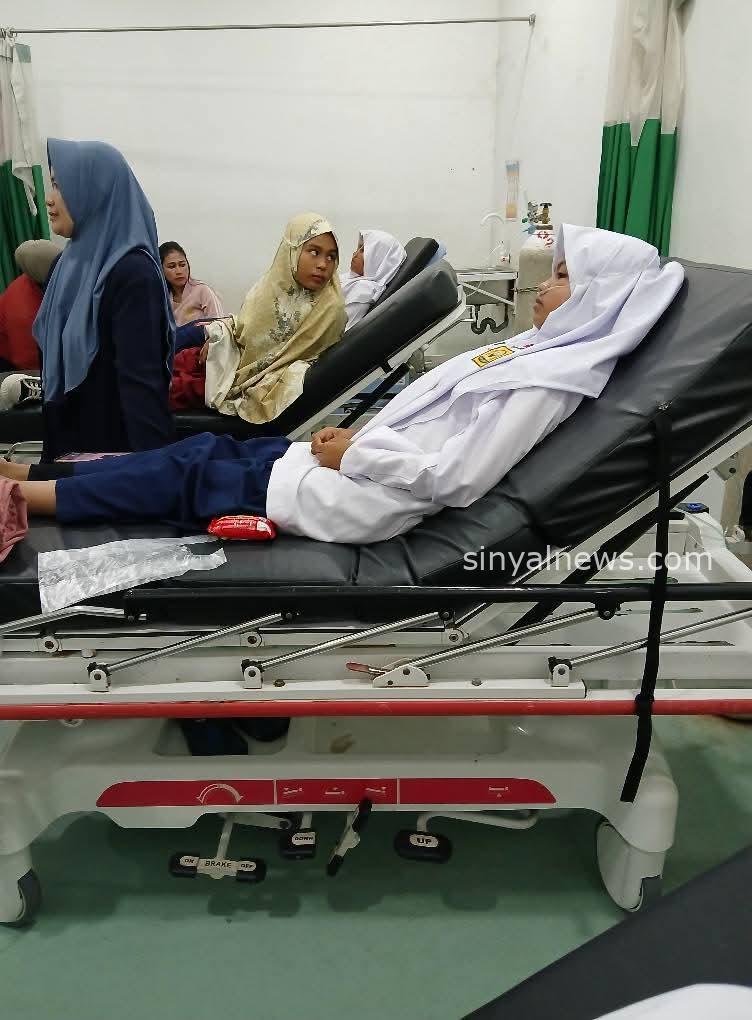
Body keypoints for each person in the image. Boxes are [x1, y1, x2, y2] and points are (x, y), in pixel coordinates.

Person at [4, 226, 685, 542]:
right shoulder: (533, 352)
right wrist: (357, 439)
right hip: (347, 464)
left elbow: (458, 477)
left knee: (188, 474)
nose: (543, 286)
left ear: (598, 296)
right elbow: (429, 421)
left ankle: (23, 497)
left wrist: (356, 453)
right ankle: (31, 472)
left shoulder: (548, 382)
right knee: (199, 452)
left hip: (361, 495)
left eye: (562, 276)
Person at [32, 138, 175, 462]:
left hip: (114, 464)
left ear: (95, 191)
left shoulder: (133, 273)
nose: (49, 199)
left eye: (59, 186)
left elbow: (141, 388)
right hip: (63, 459)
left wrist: (159, 471)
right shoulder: (62, 267)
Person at [170, 212, 346, 419]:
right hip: (228, 358)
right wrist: (223, 334)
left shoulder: (328, 311)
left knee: (166, 386)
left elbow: (295, 360)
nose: (323, 264)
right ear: (292, 251)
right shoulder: (270, 287)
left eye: (331, 256)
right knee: (175, 359)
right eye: (314, 252)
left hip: (247, 380)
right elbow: (245, 329)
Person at [339, 229, 407, 329]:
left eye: (363, 250)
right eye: (358, 248)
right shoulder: (351, 279)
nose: (355, 253)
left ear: (378, 258)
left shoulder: (362, 291)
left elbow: (340, 332)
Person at [159, 241, 225, 327]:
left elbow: (220, 325)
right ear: (161, 270)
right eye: (172, 266)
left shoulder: (202, 291)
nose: (179, 271)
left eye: (182, 265)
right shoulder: (164, 299)